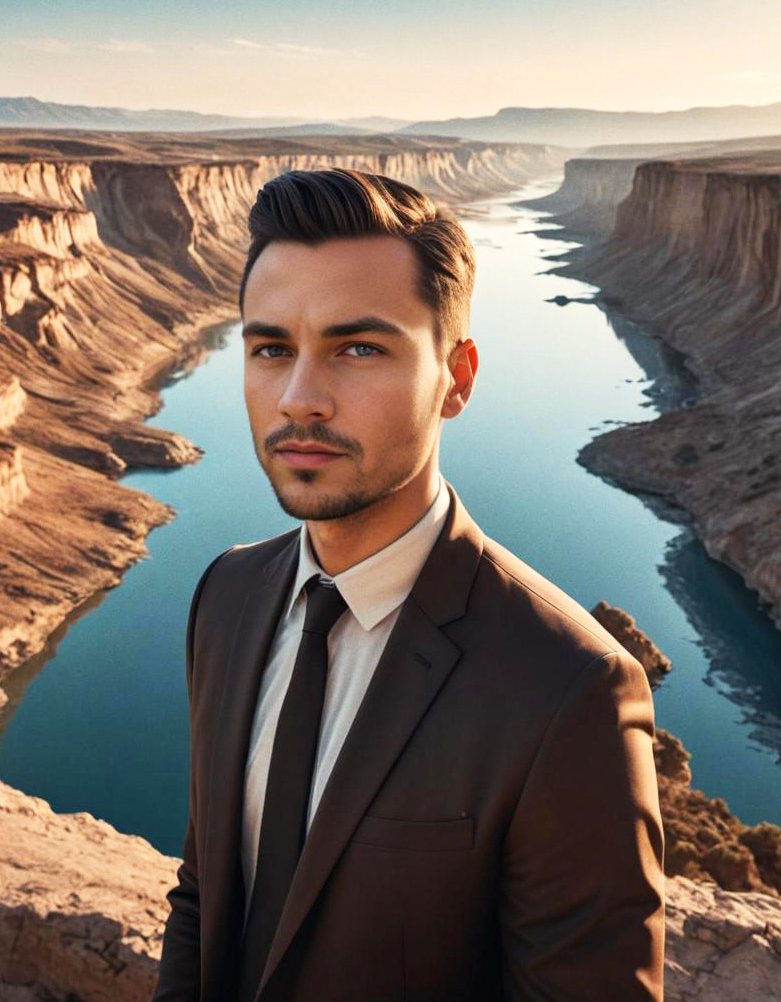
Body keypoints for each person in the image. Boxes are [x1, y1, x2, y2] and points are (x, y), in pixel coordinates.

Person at [150, 167, 665, 1002]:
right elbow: (204, 895)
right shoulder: (226, 595)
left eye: (360, 348)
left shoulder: (570, 690)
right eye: (271, 348)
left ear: (456, 378)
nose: (300, 398)